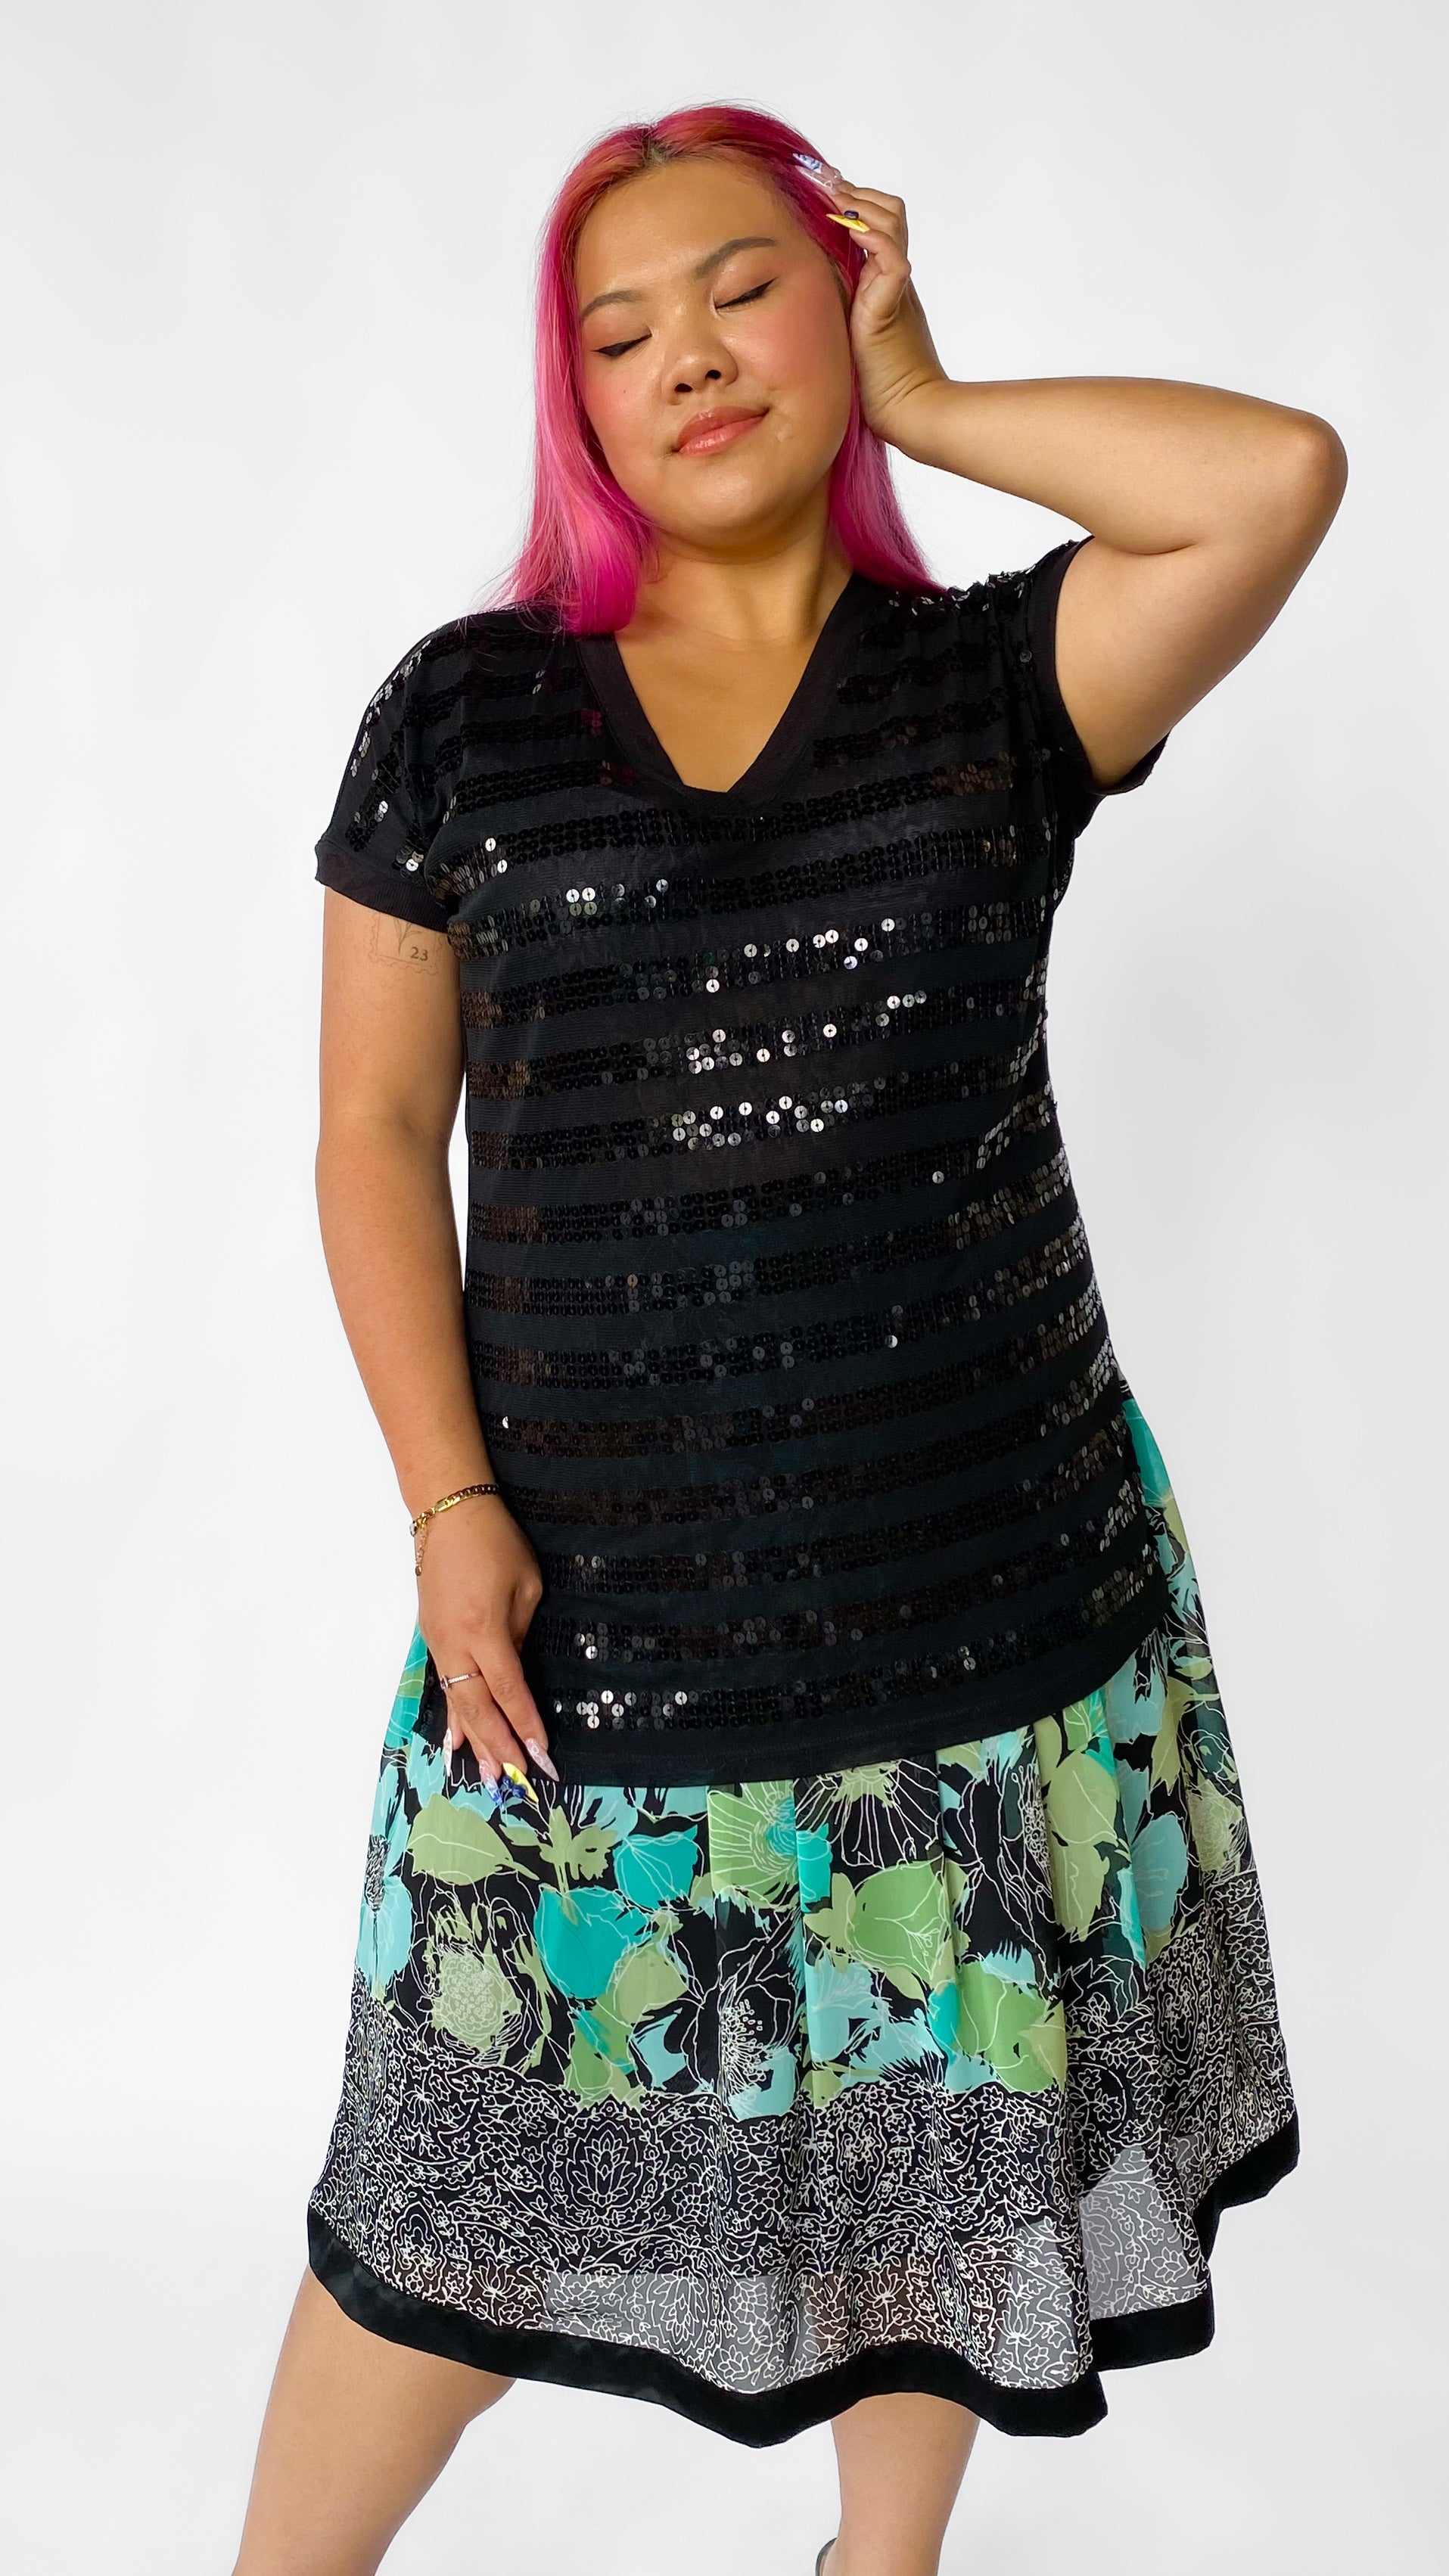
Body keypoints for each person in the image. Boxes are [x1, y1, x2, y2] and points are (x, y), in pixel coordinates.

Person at [231, 101, 1345, 2576]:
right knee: (447, 2196)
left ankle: (879, 2564)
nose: (688, 357)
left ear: (839, 300)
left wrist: (929, 400)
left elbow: (1269, 479)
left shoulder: (991, 685)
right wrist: (446, 1503)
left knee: (947, 2140)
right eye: (617, 331)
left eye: (744, 288)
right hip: (604, 1604)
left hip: (983, 1578)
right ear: (575, 400)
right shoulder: (465, 715)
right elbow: (371, 1130)